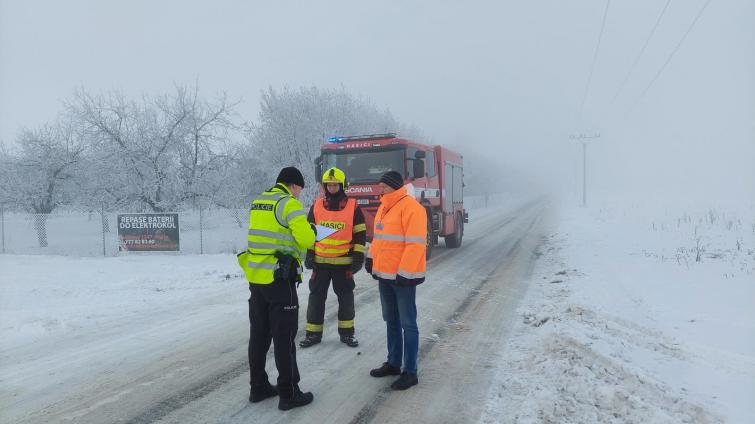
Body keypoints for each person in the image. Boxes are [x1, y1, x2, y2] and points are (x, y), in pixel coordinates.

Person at [237, 166, 316, 411]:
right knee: (284, 337)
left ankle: (258, 387)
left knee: (259, 336)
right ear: (293, 185)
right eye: (299, 190)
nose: (299, 195)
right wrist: (312, 230)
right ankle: (289, 393)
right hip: (280, 281)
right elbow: (307, 240)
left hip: (256, 279)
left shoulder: (260, 201)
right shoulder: (288, 203)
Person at [365, 170, 427, 391]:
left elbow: (415, 244)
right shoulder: (384, 206)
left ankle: (410, 371)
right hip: (385, 276)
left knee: (408, 323)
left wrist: (405, 273)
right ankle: (393, 363)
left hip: (402, 279)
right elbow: (379, 238)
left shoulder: (412, 208)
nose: (379, 189)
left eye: (382, 186)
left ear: (393, 186)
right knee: (391, 320)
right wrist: (371, 258)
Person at [300, 167, 366, 349]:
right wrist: (310, 253)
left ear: (342, 185)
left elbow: (360, 234)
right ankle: (313, 334)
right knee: (316, 298)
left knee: (345, 299)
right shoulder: (317, 205)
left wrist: (358, 257)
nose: (332, 187)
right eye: (328, 185)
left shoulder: (353, 206)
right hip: (320, 264)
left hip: (344, 264)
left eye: (335, 184)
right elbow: (309, 233)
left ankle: (347, 334)